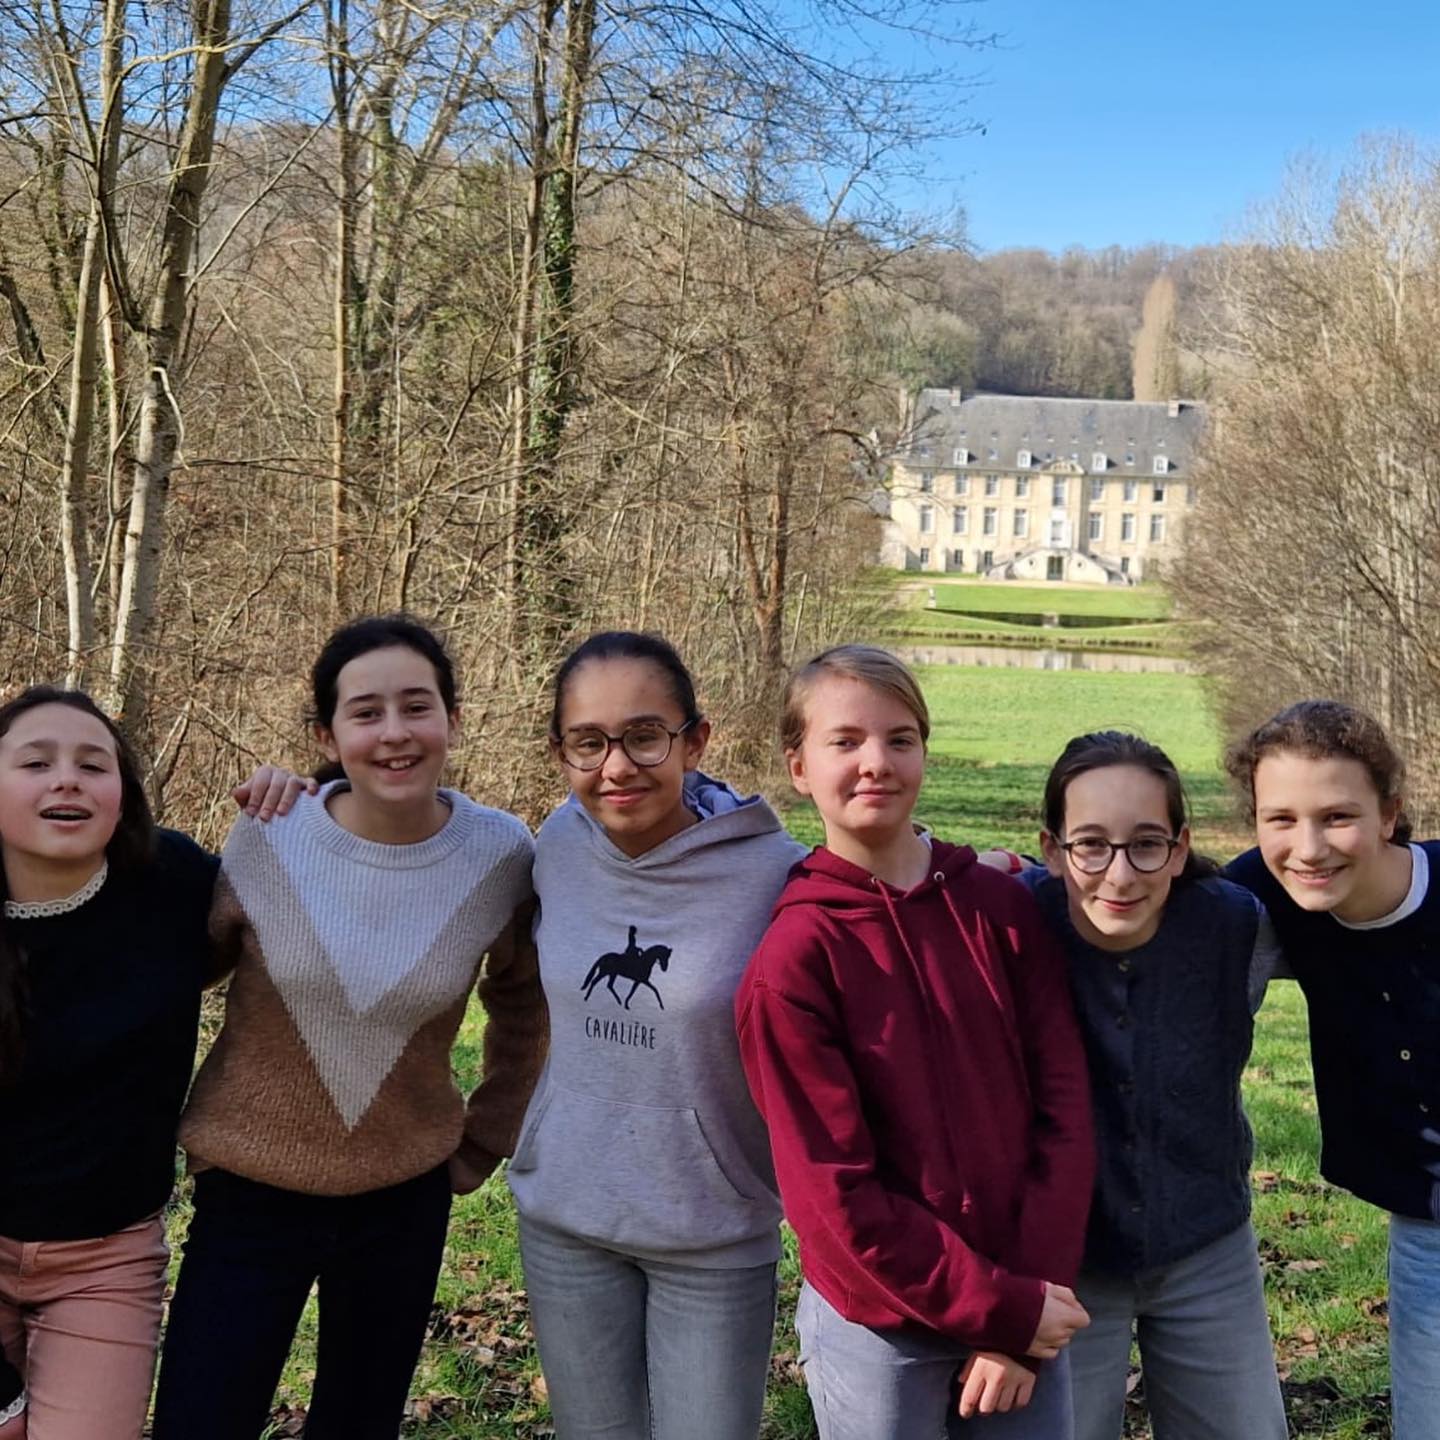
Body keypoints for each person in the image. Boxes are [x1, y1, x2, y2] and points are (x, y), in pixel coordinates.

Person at [152, 615, 546, 1440]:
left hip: (403, 1196)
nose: (394, 733)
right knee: (201, 1420)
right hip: (247, 1193)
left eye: (417, 706)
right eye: (365, 713)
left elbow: (527, 1001)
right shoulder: (269, 835)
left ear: (453, 718)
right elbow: (173, 974)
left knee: (359, 1427)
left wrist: (486, 1136)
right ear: (328, 732)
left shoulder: (501, 855)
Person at [736, 644, 1095, 1440]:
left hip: (1026, 1300)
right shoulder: (796, 955)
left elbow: (1065, 1108)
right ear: (799, 766)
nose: (877, 763)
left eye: (900, 739)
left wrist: (1025, 1303)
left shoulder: (1000, 908)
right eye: (846, 741)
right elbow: (831, 1196)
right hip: (881, 1329)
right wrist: (991, 1306)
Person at [506, 631, 805, 1440]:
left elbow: (884, 907)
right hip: (567, 1221)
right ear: (560, 751)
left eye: (644, 736)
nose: (616, 766)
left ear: (695, 741)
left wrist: (995, 875)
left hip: (711, 1228)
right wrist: (307, 793)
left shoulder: (780, 874)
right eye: (588, 742)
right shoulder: (553, 846)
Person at [0, 685, 306, 1440]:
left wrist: (303, 810)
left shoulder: (170, 882)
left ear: (123, 795)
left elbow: (302, 913)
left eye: (93, 764)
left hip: (107, 1258)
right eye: (35, 762)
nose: (67, 778)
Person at [1022, 730, 1287, 1440]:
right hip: (1064, 1258)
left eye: (1146, 844)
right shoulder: (1013, 926)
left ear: (1179, 847)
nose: (1119, 875)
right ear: (1052, 850)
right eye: (1090, 845)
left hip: (1206, 1240)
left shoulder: (1235, 927)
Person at [1225, 699, 1440, 1440]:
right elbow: (1136, 899)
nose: (1309, 847)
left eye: (1338, 817)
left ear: (1390, 813)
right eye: (1280, 818)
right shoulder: (1259, 898)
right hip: (1428, 1230)